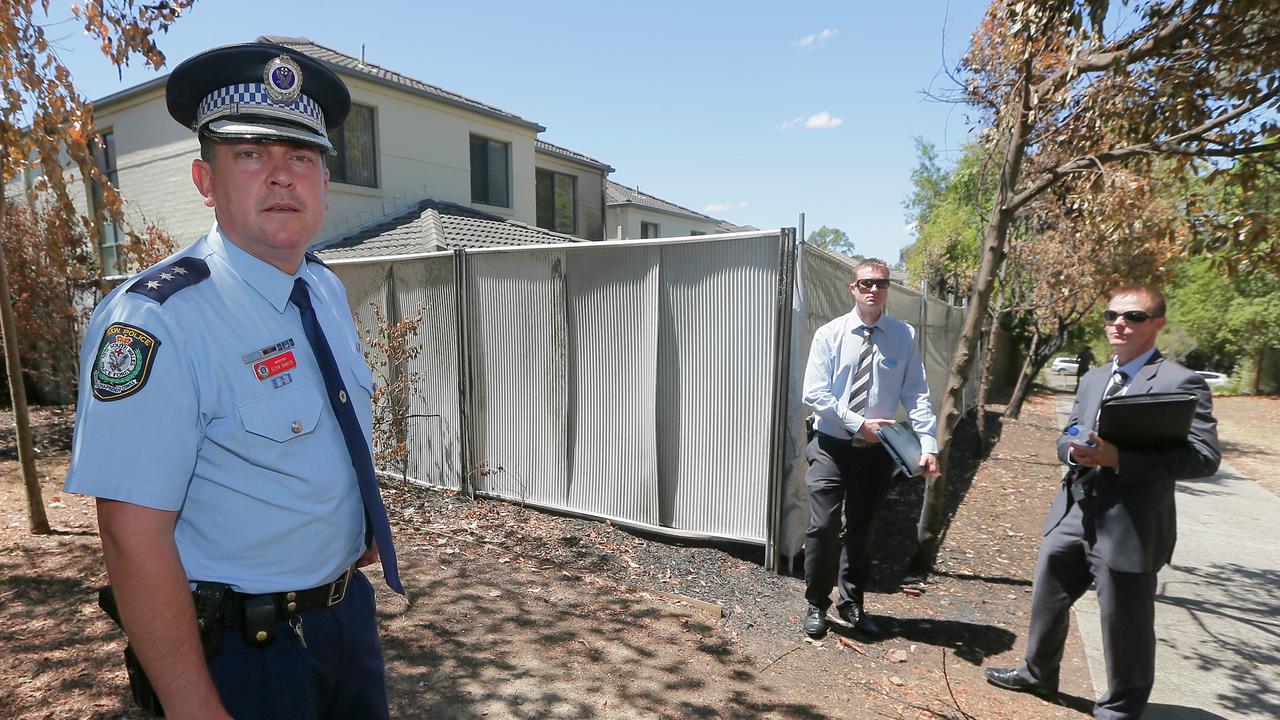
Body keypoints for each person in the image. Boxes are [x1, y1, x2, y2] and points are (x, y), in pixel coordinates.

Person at [65, 42, 403, 719]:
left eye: (300, 157)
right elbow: (132, 538)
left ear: (325, 184)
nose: (281, 177)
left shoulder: (324, 289)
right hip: (244, 656)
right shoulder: (157, 320)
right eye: (251, 155)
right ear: (205, 180)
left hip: (345, 621)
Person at [986, 283, 1220, 720]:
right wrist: (1071, 448)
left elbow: (1203, 457)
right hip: (1076, 509)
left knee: (1124, 621)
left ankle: (1121, 709)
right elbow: (1071, 430)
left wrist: (1120, 459)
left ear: (1157, 325)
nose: (1119, 324)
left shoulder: (1180, 382)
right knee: (1047, 596)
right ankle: (1038, 673)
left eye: (1133, 317)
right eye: (1112, 315)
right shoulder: (1095, 377)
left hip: (1130, 523)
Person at [800, 258, 939, 638]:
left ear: (887, 288)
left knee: (863, 529)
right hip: (832, 444)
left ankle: (852, 601)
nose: (873, 289)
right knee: (824, 525)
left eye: (881, 283)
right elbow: (814, 393)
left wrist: (929, 444)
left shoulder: (903, 335)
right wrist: (858, 423)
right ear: (853, 288)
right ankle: (816, 603)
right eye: (866, 283)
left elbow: (917, 394)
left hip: (879, 452)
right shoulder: (830, 334)